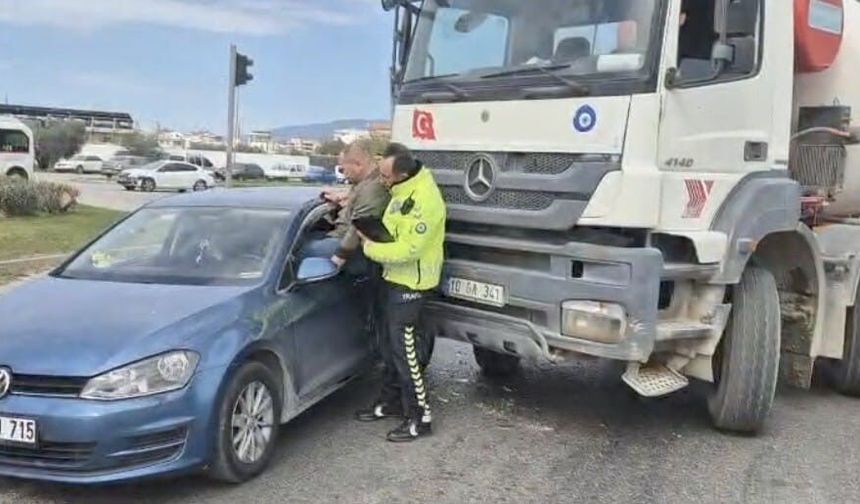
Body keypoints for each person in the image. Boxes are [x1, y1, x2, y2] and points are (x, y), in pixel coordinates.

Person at [354, 144, 446, 442]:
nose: (382, 180)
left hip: (412, 285)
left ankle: (420, 418)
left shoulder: (425, 201)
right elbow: (393, 230)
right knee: (389, 349)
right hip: (392, 278)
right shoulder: (400, 191)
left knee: (406, 353)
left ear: (403, 174)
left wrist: (370, 247)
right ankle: (392, 402)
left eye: (385, 175)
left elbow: (409, 249)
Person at [301, 140, 390, 268]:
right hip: (341, 235)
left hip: (350, 245)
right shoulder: (364, 183)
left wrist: (339, 258)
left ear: (358, 164)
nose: (343, 174)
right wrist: (340, 198)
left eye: (343, 169)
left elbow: (359, 226)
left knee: (301, 250)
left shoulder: (373, 188)